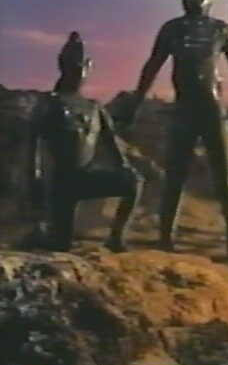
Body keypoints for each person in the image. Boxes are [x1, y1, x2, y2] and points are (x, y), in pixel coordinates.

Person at [119, 0, 228, 259]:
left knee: (225, 179)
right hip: (184, 111)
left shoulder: (221, 30)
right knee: (174, 177)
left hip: (213, 112)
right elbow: (151, 66)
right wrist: (135, 103)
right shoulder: (172, 29)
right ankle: (165, 239)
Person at [24, 31, 143, 253]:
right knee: (61, 244)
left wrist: (123, 165)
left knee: (133, 182)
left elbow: (111, 143)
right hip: (61, 183)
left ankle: (116, 238)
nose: (77, 73)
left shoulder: (94, 107)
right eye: (73, 68)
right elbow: (35, 141)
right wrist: (35, 176)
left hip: (86, 177)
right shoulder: (50, 103)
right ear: (63, 67)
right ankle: (41, 234)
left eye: (81, 68)